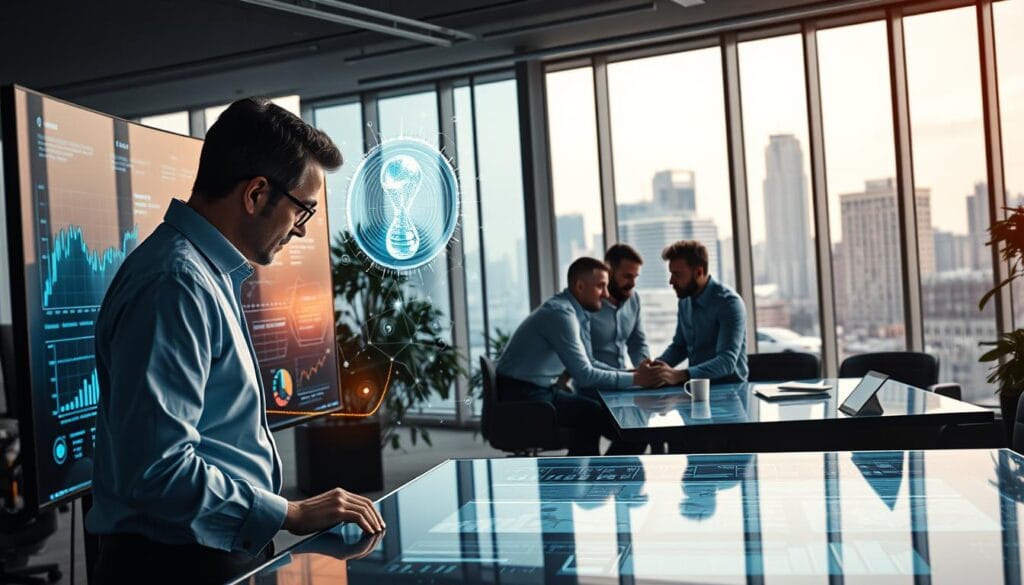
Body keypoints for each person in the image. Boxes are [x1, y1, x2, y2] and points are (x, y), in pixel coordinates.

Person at [87, 98, 385, 584]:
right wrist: (289, 513)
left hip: (205, 550)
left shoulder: (204, 275)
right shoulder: (176, 283)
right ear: (255, 194)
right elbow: (158, 469)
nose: (301, 231)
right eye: (302, 211)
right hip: (174, 564)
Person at [495, 257, 673, 456]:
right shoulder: (561, 315)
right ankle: (597, 477)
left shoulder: (574, 312)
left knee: (603, 418)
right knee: (610, 422)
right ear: (580, 286)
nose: (606, 294)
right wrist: (637, 379)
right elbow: (585, 375)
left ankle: (590, 476)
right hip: (524, 397)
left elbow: (589, 362)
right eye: (601, 286)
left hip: (538, 391)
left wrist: (631, 374)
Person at [655, 240, 748, 384]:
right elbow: (679, 347)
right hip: (695, 389)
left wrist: (680, 375)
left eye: (677, 275)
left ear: (699, 272)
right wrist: (654, 369)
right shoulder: (684, 300)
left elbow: (727, 362)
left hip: (729, 392)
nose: (671, 281)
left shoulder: (729, 303)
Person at [589, 244, 649, 370]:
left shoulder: (634, 299)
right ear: (608, 272)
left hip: (623, 382)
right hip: (592, 385)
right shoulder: (587, 303)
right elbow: (582, 361)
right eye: (627, 277)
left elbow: (637, 343)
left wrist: (645, 367)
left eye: (635, 277)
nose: (632, 284)